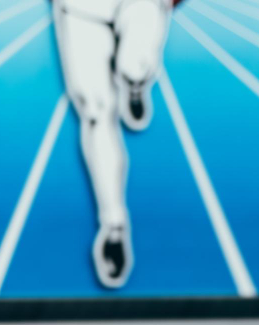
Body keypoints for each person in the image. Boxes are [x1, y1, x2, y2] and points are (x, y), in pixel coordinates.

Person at [52, 0, 179, 288]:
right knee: (96, 112)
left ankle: (134, 83)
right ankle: (114, 224)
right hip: (81, 8)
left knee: (135, 66)